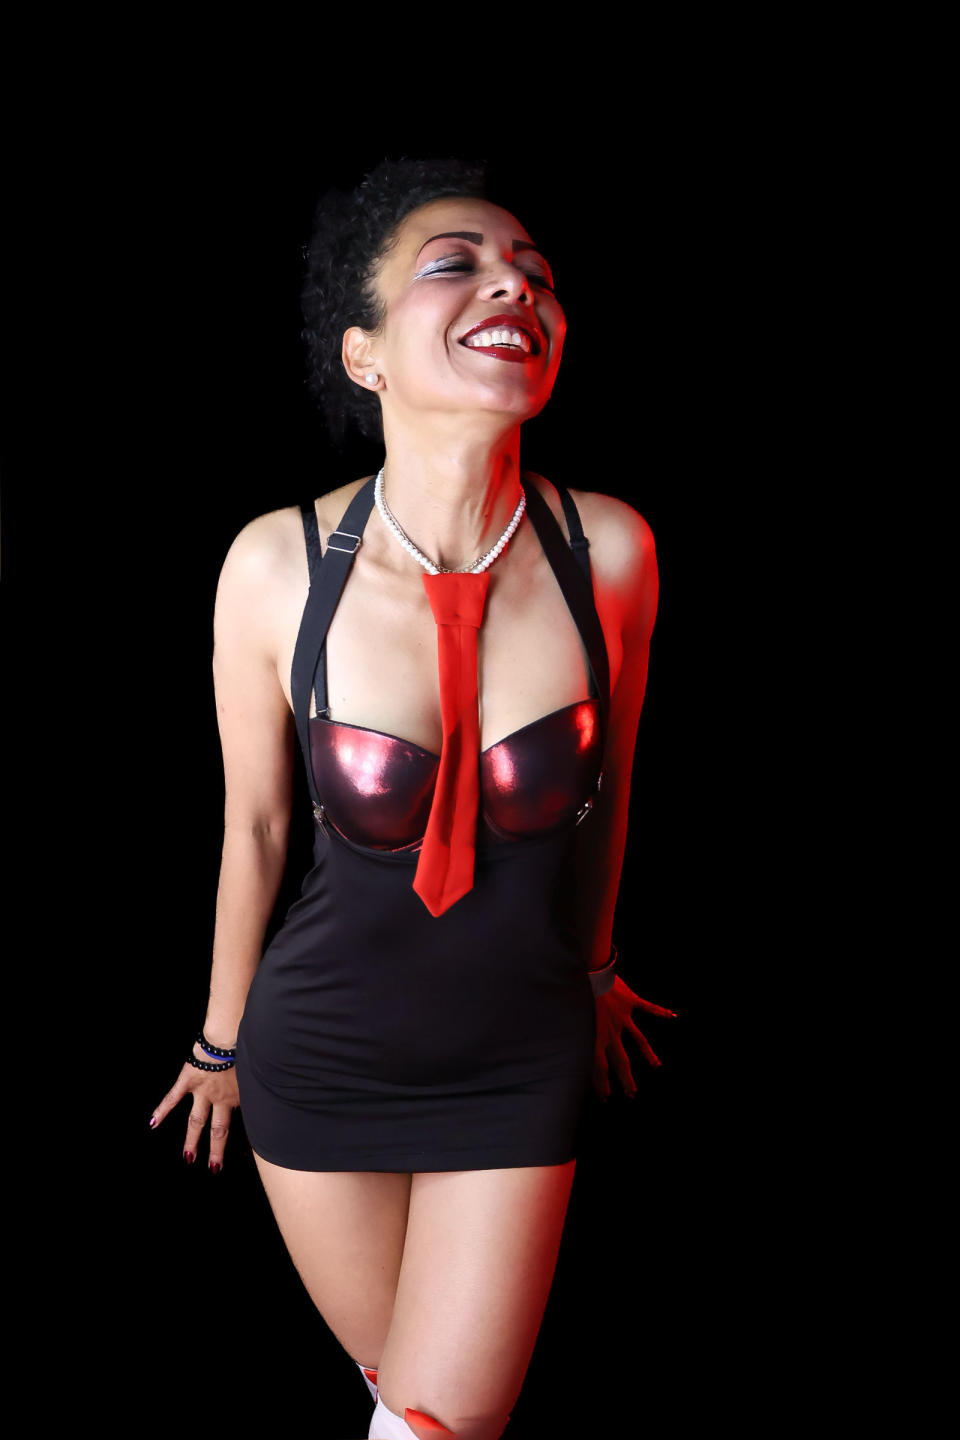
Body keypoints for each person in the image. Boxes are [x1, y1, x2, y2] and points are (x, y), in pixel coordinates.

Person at [148, 156, 673, 1440]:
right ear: (364, 353)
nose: (516, 286)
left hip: (518, 1056)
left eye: (536, 274)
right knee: (411, 1409)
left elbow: (611, 794)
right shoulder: (277, 564)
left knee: (442, 1424)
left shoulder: (608, 550)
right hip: (319, 1056)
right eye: (459, 265)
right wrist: (220, 1041)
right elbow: (257, 828)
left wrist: (598, 967)